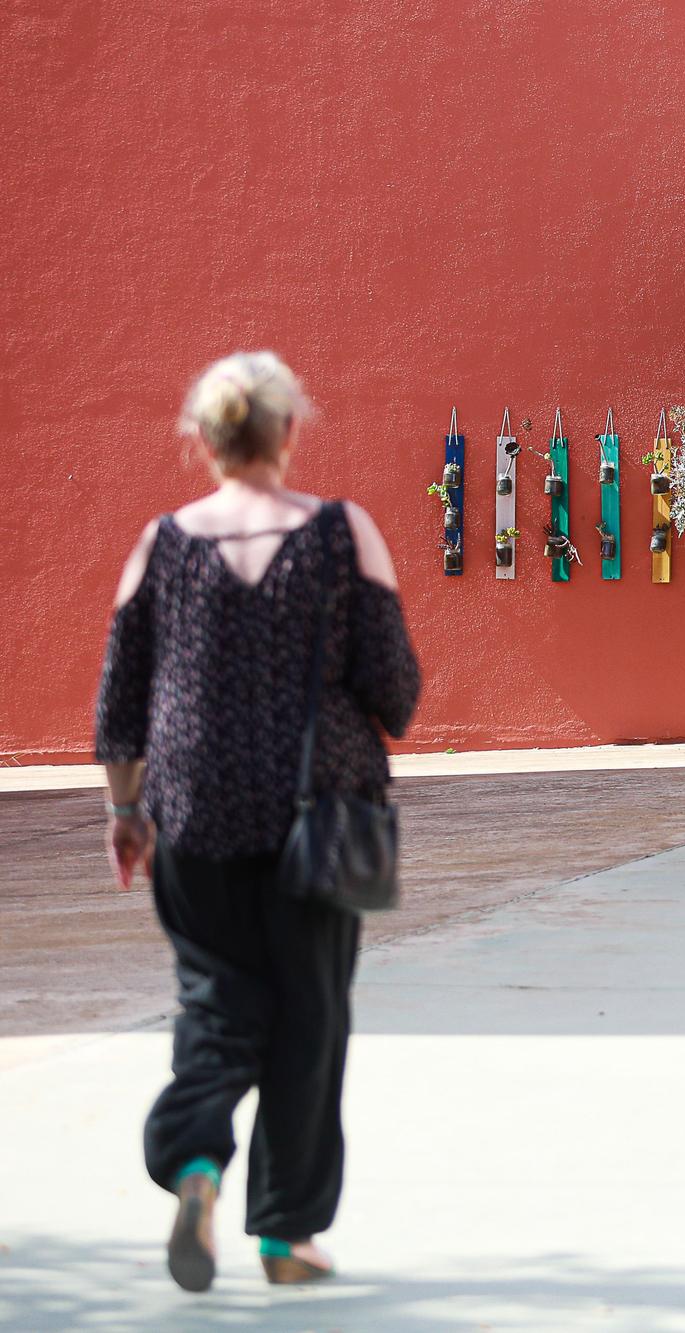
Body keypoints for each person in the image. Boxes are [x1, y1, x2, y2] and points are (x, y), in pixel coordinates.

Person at [94, 352, 420, 1291]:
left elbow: (120, 701)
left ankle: (195, 1160)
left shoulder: (162, 544)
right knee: (309, 1016)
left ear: (202, 441)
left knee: (215, 996)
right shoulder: (338, 533)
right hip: (318, 818)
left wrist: (125, 810)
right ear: (287, 432)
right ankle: (287, 1235)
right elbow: (394, 690)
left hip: (192, 811)